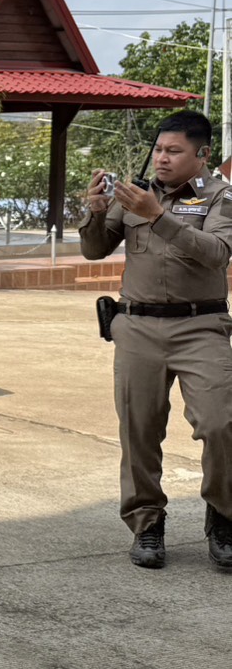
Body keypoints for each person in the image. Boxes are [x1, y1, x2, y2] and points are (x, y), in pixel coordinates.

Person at [81, 109, 232, 571]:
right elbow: (94, 250)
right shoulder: (136, 193)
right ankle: (146, 524)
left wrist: (159, 217)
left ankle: (224, 517)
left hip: (201, 326)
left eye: (174, 151)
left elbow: (217, 254)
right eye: (159, 149)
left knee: (221, 423)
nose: (162, 158)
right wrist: (96, 212)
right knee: (139, 430)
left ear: (202, 154)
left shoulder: (220, 196)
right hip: (138, 327)